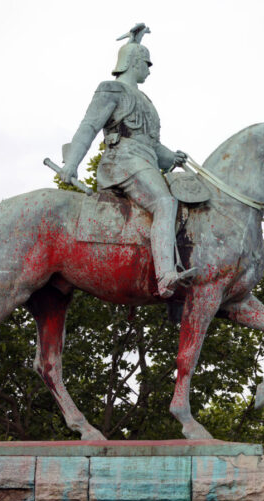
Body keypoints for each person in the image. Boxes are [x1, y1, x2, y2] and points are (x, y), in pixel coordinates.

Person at [60, 23, 197, 298]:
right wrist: (71, 163)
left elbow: (150, 144)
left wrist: (171, 157)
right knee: (164, 202)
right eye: (147, 63)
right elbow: (88, 127)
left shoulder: (145, 99)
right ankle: (165, 275)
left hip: (143, 161)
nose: (149, 69)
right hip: (121, 162)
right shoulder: (110, 89)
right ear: (134, 62)